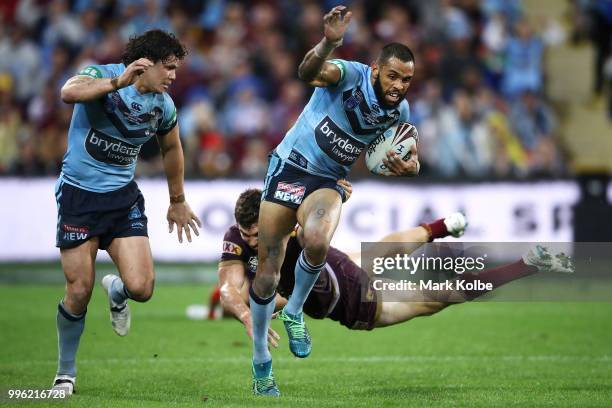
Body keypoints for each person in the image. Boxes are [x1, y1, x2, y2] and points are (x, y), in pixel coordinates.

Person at [222, 189, 573, 393]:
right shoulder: (240, 240)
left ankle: (526, 263)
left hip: (350, 300)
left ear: (270, 221)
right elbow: (229, 288)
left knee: (436, 298)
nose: (254, 241)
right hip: (338, 269)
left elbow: (272, 293)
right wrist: (247, 315)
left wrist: (262, 310)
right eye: (248, 234)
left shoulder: (286, 226)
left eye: (258, 233)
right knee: (377, 253)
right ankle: (442, 227)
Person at [250, 5, 419, 395]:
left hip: (327, 180)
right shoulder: (349, 74)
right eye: (393, 75)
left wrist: (408, 168)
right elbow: (308, 73)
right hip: (289, 165)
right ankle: (261, 361)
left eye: (406, 79)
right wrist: (329, 42)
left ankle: (293, 312)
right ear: (377, 70)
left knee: (317, 239)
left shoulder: (401, 111)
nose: (398, 85)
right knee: (267, 273)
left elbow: (409, 154)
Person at [52, 29, 201, 395]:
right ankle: (65, 374)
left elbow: (171, 149)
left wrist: (177, 199)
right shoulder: (102, 74)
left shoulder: (163, 106)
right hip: (80, 198)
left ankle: (116, 290)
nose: (173, 76)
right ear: (144, 64)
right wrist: (117, 82)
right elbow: (68, 92)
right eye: (168, 68)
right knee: (79, 290)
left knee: (142, 288)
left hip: (122, 199)